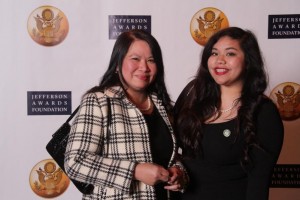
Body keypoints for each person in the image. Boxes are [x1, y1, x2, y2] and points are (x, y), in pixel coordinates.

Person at [64, 29, 187, 200]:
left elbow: (170, 156)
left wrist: (178, 172)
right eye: (135, 59)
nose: (144, 67)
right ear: (117, 63)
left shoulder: (163, 106)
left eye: (151, 60)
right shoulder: (99, 101)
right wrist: (135, 171)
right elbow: (75, 162)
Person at [174, 27, 284, 200]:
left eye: (230, 54)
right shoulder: (192, 95)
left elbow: (258, 185)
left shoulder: (263, 112)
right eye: (214, 53)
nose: (220, 60)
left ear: (248, 61)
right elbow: (173, 150)